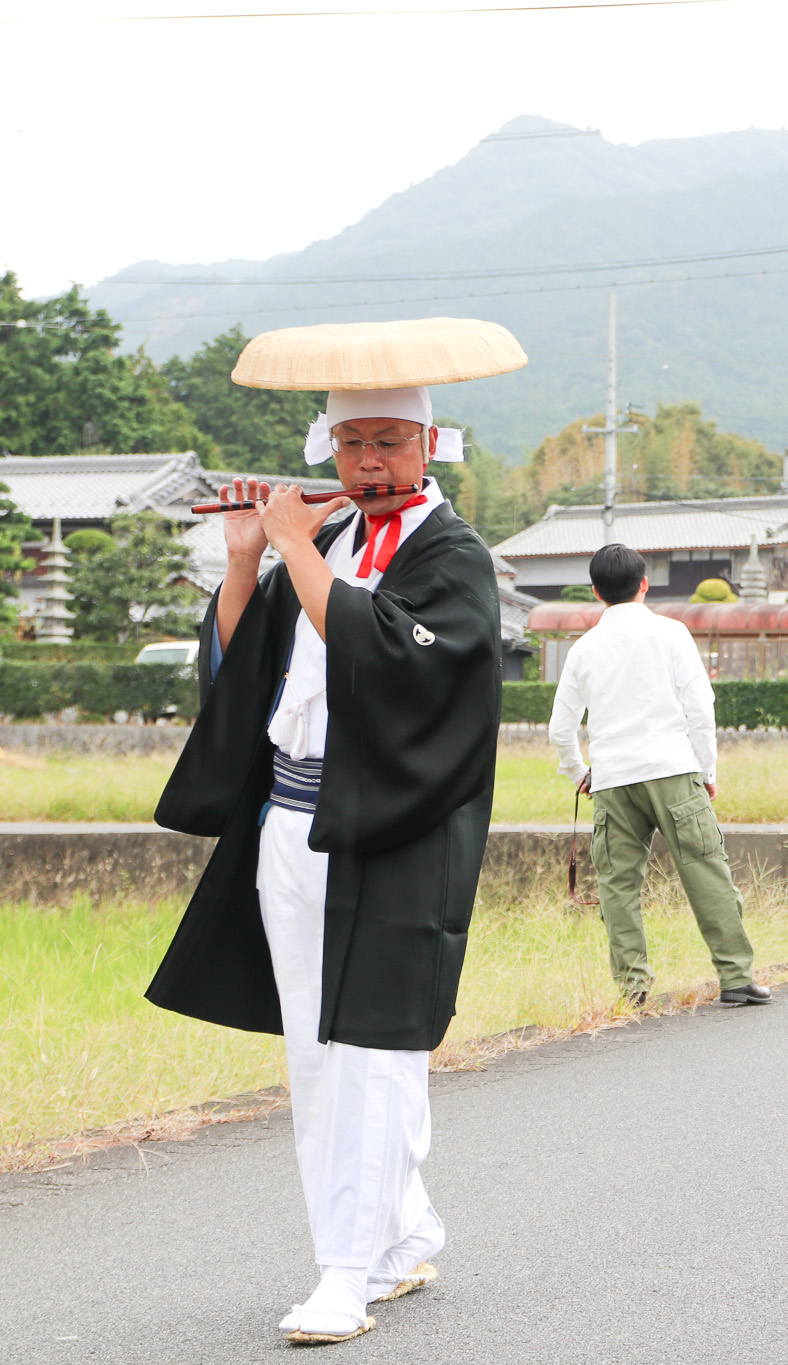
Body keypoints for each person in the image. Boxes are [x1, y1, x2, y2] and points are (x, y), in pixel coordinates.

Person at [147, 319, 518, 1346]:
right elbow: (248, 672)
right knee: (320, 1053)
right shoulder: (337, 541)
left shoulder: (454, 556)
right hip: (291, 823)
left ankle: (344, 1273)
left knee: (373, 1050)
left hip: (397, 828)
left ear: (429, 446)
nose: (368, 462)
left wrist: (296, 547)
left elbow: (389, 660)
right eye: (352, 442)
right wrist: (244, 561)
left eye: (389, 442)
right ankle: (401, 1233)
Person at [548, 543, 766, 1009]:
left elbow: (560, 728)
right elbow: (700, 707)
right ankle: (735, 978)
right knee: (705, 871)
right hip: (673, 769)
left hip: (613, 779)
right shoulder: (671, 633)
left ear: (595, 592)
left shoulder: (583, 649)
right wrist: (706, 770)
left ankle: (633, 989)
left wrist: (580, 774)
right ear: (644, 584)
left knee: (618, 886)